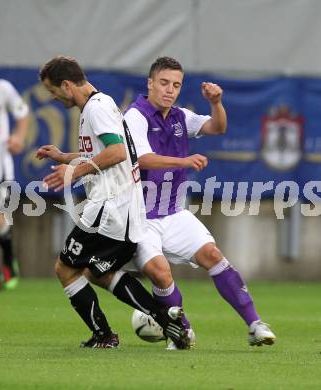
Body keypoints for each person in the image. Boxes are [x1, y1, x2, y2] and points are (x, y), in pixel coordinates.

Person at [121, 56, 276, 349]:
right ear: (150, 83)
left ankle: (255, 324)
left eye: (176, 85)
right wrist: (183, 160)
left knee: (213, 255)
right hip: (141, 217)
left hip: (173, 212)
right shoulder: (135, 116)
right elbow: (141, 159)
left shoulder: (179, 116)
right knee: (159, 271)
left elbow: (217, 127)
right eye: (164, 83)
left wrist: (216, 103)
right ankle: (182, 331)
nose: (170, 90)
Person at [37, 55, 190, 349]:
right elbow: (106, 153)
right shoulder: (100, 105)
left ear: (66, 85)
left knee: (65, 269)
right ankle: (166, 319)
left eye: (52, 90)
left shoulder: (96, 110)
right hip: (124, 209)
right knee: (99, 271)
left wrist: (75, 171)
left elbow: (118, 152)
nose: (53, 97)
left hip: (110, 208)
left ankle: (105, 336)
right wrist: (65, 156)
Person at [0, 78, 29, 291]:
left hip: (0, 168)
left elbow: (22, 113)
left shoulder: (3, 88)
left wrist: (19, 136)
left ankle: (8, 264)